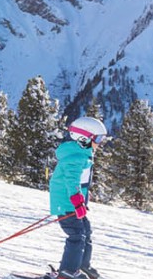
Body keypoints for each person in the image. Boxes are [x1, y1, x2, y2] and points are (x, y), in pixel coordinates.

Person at [46, 116, 107, 279]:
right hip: (67, 204)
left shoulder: (81, 153)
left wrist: (85, 194)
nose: (101, 142)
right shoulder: (75, 157)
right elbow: (71, 181)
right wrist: (77, 200)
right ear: (84, 138)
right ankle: (68, 271)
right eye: (99, 138)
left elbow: (79, 181)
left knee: (85, 231)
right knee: (76, 235)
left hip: (73, 203)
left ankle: (82, 266)